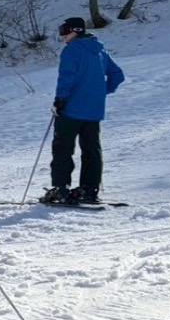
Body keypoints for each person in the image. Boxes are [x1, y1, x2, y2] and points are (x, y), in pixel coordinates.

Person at [42, 17, 125, 206]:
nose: (62, 36)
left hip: (71, 110)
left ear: (75, 31)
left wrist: (60, 100)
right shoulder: (99, 50)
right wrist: (101, 91)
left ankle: (61, 189)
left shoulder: (72, 50)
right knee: (91, 150)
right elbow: (117, 75)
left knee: (63, 149)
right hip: (94, 111)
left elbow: (66, 77)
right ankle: (89, 190)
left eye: (65, 31)